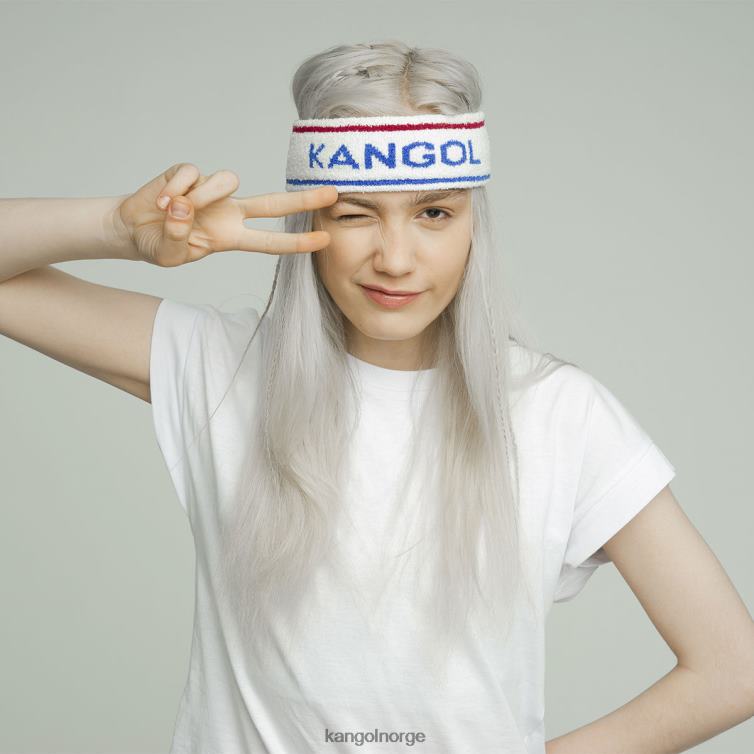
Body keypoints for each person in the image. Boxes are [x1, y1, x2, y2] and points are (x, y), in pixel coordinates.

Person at [2, 38, 753, 754]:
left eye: (434, 213)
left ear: (473, 223)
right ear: (309, 218)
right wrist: (118, 229)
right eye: (355, 213)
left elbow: (732, 669)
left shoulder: (558, 414)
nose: (395, 259)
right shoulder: (221, 367)